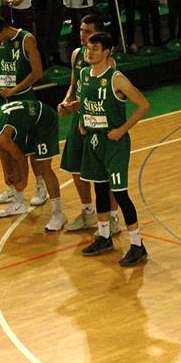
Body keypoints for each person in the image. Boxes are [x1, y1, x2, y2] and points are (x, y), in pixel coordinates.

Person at [75, 32, 151, 267]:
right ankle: (104, 236)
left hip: (114, 142)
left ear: (106, 52)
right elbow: (84, 102)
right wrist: (82, 121)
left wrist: (122, 129)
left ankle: (137, 245)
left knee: (119, 193)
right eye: (88, 48)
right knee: (100, 188)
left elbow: (143, 105)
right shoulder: (84, 74)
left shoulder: (116, 79)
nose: (89, 52)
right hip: (93, 140)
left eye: (95, 48)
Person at [57, 13, 121, 234]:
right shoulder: (77, 55)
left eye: (88, 31)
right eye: (81, 30)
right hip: (79, 119)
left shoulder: (108, 63)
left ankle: (113, 217)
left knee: (105, 173)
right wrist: (66, 100)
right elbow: (74, 85)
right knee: (75, 167)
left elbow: (109, 96)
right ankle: (87, 212)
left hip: (99, 121)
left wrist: (80, 105)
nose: (83, 35)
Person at [0, 99, 66, 231]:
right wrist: (6, 174)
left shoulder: (2, 136)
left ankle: (58, 214)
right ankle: (18, 204)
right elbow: (3, 151)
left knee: (44, 168)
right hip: (29, 122)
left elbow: (21, 159)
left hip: (44, 119)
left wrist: (23, 182)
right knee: (11, 155)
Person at [0, 16, 48, 208]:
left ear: (4, 29)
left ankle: (40, 185)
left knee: (30, 145)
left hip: (23, 100)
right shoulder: (1, 42)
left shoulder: (26, 39)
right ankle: (13, 188)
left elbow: (37, 73)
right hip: (2, 99)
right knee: (4, 145)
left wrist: (14, 90)